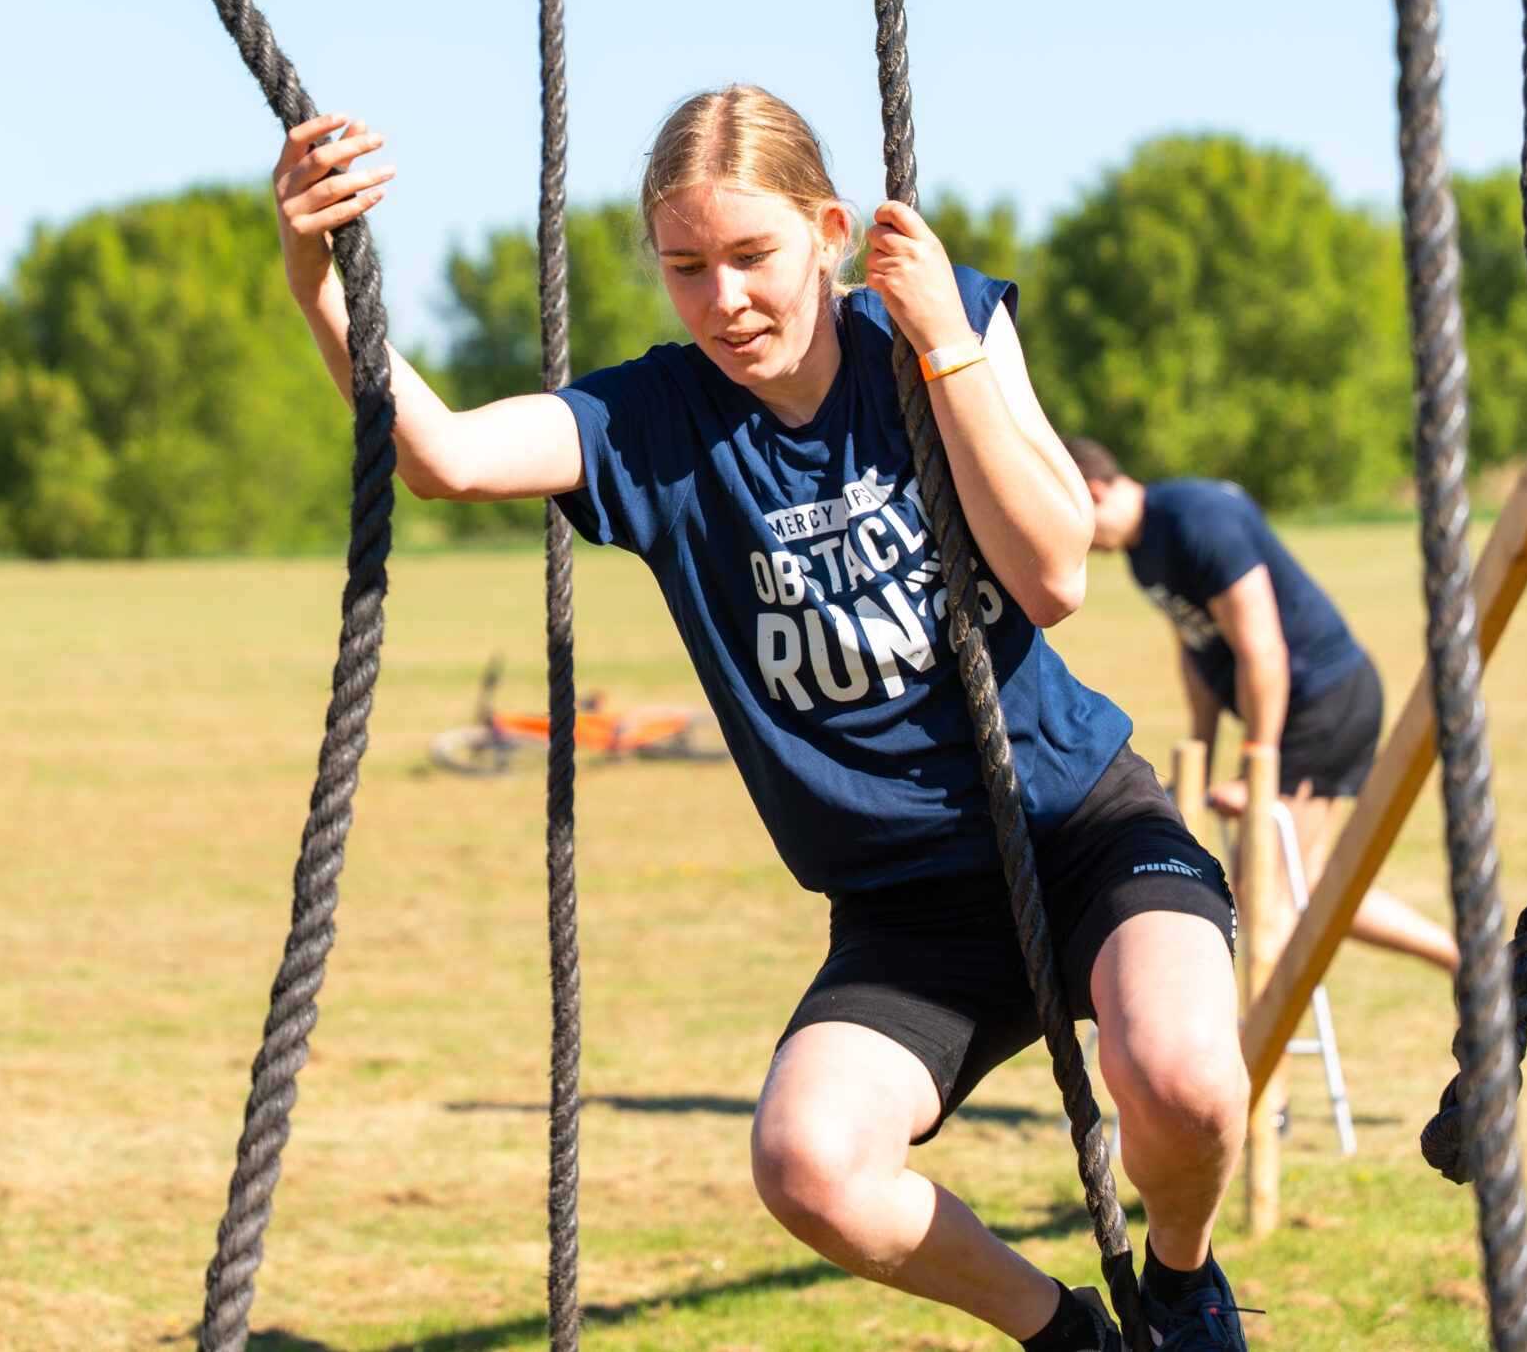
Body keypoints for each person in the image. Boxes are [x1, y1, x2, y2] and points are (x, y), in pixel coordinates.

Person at [271, 85, 1255, 1352]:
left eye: (752, 257)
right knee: (810, 1165)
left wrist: (944, 342)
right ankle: (1066, 1336)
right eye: (686, 269)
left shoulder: (943, 328)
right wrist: (316, 277)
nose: (723, 299)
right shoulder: (653, 421)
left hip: (1074, 823)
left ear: (830, 231)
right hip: (907, 906)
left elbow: (1053, 576)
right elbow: (448, 456)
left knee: (1181, 1080)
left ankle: (1178, 1285)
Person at [1062, 439, 1459, 975]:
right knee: (1309, 884)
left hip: (1323, 701)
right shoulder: (1143, 549)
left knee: (1262, 887)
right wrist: (1200, 753)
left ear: (1091, 492)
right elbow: (1196, 650)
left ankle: (1268, 1038)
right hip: (1302, 709)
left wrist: (1257, 766)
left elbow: (1263, 648)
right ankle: (1467, 961)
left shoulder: (1194, 520)